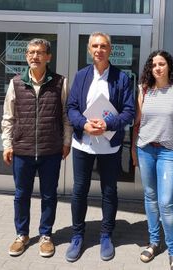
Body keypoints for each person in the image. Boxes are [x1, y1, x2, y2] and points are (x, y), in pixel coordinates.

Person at [65, 32, 135, 262]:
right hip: (83, 144)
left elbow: (129, 112)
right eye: (95, 46)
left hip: (110, 146)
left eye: (103, 46)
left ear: (110, 50)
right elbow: (72, 108)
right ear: (89, 49)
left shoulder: (122, 78)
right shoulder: (82, 76)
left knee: (109, 191)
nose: (99, 50)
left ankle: (106, 235)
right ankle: (77, 236)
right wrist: (84, 124)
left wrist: (107, 124)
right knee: (79, 190)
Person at [1, 38, 72, 258]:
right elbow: (8, 117)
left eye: (40, 52)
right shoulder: (16, 83)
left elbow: (65, 116)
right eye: (31, 52)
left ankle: (46, 236)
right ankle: (21, 235)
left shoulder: (60, 82)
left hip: (50, 150)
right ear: (26, 56)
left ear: (48, 57)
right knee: (21, 195)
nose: (35, 56)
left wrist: (66, 141)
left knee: (49, 195)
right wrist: (7, 144)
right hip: (22, 149)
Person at [131, 50, 173, 270]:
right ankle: (154, 243)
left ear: (169, 66)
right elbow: (138, 123)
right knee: (150, 197)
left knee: (165, 202)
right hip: (146, 150)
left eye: (162, 64)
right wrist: (133, 149)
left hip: (169, 153)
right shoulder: (144, 90)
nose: (157, 68)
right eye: (154, 64)